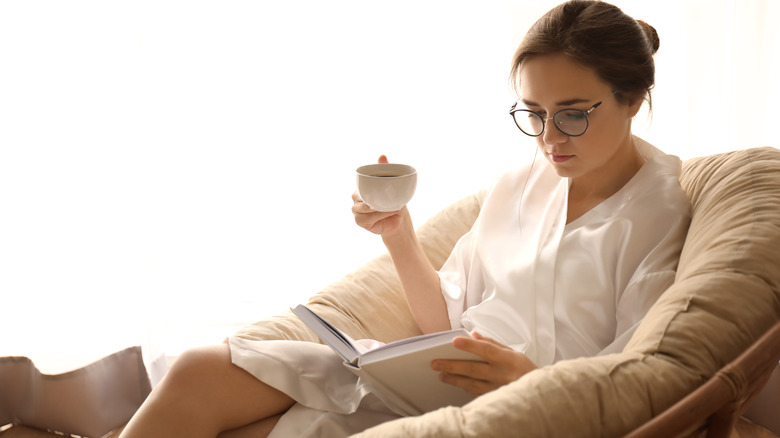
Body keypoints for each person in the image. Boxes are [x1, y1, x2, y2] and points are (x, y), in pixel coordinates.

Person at [119, 1, 691, 437]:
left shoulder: (659, 209)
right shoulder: (524, 181)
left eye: (571, 115)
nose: (547, 139)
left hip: (523, 412)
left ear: (633, 98)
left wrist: (527, 379)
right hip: (434, 382)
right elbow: (442, 317)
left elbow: (635, 378)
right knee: (198, 370)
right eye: (533, 114)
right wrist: (399, 235)